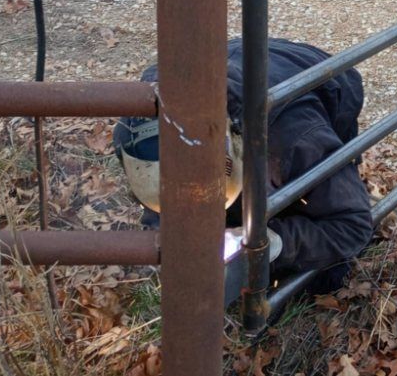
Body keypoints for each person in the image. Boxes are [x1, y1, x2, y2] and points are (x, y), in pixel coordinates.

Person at [113, 38, 373, 293]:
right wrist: (169, 238)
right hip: (235, 65)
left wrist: (270, 243)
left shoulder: (298, 139)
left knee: (328, 271)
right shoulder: (133, 131)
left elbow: (353, 225)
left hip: (318, 77)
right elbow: (162, 193)